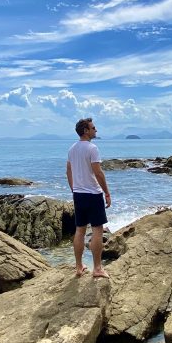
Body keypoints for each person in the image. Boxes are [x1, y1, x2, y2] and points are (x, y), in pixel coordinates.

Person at [66, 117, 111, 278]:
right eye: (93, 128)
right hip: (93, 194)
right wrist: (106, 192)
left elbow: (68, 171)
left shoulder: (72, 149)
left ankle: (79, 267)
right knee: (97, 230)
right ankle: (97, 269)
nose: (95, 130)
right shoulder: (92, 148)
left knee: (80, 230)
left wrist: (74, 189)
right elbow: (98, 173)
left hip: (78, 195)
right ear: (85, 130)